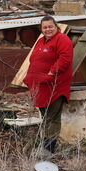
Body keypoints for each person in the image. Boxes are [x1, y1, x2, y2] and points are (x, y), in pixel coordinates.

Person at [24, 16, 73, 153]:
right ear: (41, 29)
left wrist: (51, 73)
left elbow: (65, 59)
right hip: (41, 86)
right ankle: (44, 145)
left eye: (50, 26)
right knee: (45, 116)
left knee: (52, 117)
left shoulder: (62, 39)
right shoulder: (41, 41)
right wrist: (29, 76)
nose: (48, 29)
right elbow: (33, 60)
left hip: (54, 85)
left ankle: (48, 149)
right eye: (45, 27)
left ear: (56, 26)